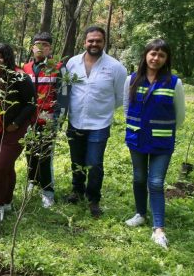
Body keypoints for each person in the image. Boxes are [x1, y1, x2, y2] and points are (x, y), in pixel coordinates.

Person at [123, 39, 185, 249]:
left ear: (166, 59)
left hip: (161, 140)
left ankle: (159, 229)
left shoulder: (174, 83)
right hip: (137, 137)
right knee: (139, 178)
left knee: (156, 182)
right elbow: (126, 107)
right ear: (145, 55)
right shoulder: (131, 79)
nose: (156, 58)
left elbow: (180, 115)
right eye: (153, 53)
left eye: (161, 55)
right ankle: (140, 213)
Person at [65, 26, 127, 218]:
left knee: (94, 163)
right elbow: (67, 90)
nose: (94, 44)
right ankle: (77, 190)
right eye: (90, 40)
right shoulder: (72, 63)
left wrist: (101, 109)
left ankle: (93, 199)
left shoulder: (116, 67)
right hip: (75, 120)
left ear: (104, 42)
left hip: (99, 123)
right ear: (84, 42)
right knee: (77, 160)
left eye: (98, 41)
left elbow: (120, 97)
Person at [0, 43, 36, 220]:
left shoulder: (19, 77)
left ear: (8, 58)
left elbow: (31, 104)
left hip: (13, 132)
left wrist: (16, 123)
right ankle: (7, 201)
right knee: (6, 168)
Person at [23, 32, 68, 208]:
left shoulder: (58, 68)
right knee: (30, 154)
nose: (40, 48)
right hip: (28, 122)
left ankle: (48, 191)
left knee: (45, 157)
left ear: (50, 48)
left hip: (48, 122)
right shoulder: (25, 68)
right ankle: (31, 183)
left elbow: (63, 97)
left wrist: (56, 121)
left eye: (44, 44)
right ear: (32, 47)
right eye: (37, 44)